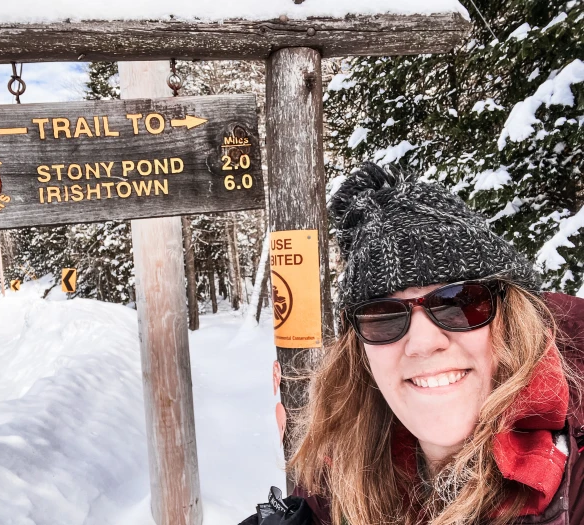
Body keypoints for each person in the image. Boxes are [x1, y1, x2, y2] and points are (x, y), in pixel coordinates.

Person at [239, 163, 584, 525]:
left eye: (458, 302)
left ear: (513, 318)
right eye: (383, 315)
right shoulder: (334, 489)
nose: (421, 343)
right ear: (358, 352)